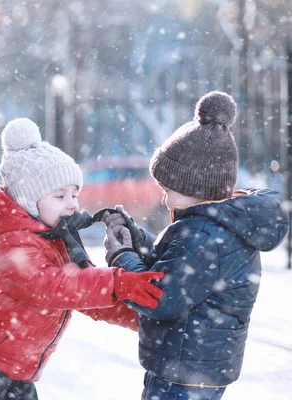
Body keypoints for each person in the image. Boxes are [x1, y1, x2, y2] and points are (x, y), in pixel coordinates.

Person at [0, 118, 165, 400]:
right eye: (60, 196)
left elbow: (86, 295)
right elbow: (49, 286)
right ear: (28, 201)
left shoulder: (58, 239)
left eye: (74, 194)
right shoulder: (13, 242)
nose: (72, 203)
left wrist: (145, 317)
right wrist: (118, 282)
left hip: (16, 371)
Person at [102, 91, 290, 400]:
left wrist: (122, 258)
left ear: (195, 189)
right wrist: (139, 240)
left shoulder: (199, 235)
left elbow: (159, 296)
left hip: (182, 372)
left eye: (169, 190)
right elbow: (181, 268)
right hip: (201, 367)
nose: (164, 198)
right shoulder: (219, 225)